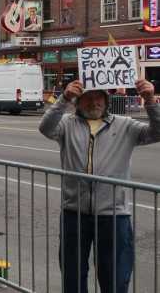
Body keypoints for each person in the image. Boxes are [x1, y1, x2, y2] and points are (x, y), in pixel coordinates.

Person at [39, 79, 160, 293]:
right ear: (78, 102)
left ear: (106, 101)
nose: (93, 102)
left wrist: (150, 99)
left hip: (114, 215)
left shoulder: (126, 125)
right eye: (87, 97)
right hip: (74, 213)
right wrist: (63, 98)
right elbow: (45, 128)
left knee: (114, 276)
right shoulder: (67, 124)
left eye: (99, 97)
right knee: (73, 274)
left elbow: (157, 132)